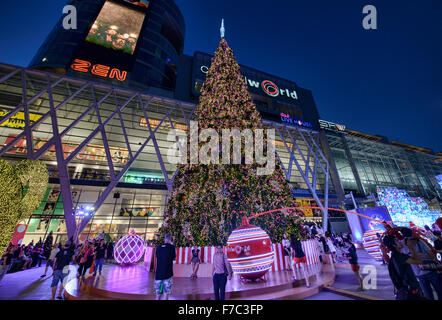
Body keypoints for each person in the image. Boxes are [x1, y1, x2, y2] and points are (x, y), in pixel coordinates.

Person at [382, 234, 425, 300]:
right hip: (410, 289)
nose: (400, 241)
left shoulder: (396, 256)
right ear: (394, 245)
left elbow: (413, 258)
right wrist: (411, 247)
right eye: (397, 240)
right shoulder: (399, 257)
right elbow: (418, 261)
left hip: (406, 288)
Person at [154, 234, 176, 300]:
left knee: (158, 295)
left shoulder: (158, 247)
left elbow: (157, 256)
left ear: (165, 239)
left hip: (158, 275)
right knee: (166, 294)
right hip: (168, 274)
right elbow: (174, 258)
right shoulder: (172, 247)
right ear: (170, 239)